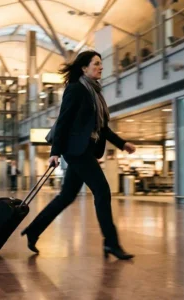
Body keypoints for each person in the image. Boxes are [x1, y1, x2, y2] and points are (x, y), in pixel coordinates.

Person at [21, 51, 137, 260]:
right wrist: (54, 152)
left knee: (66, 196)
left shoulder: (95, 93)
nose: (101, 67)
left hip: (83, 150)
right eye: (96, 64)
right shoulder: (75, 89)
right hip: (76, 152)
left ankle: (33, 230)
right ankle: (111, 243)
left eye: (101, 64)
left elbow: (102, 128)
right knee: (102, 191)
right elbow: (63, 121)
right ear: (84, 68)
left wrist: (122, 143)